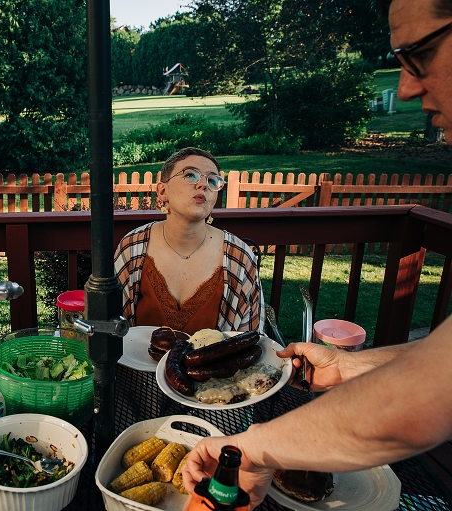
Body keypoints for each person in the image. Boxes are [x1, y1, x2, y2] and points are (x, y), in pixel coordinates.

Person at [181, 0, 452, 508]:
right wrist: (354, 368)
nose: (409, 87)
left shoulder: (236, 254)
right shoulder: (134, 248)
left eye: (421, 54)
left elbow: (419, 405)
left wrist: (252, 449)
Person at [114, 147, 265, 334]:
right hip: (134, 363)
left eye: (212, 180)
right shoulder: (132, 248)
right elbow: (112, 325)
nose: (203, 184)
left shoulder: (239, 258)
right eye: (191, 175)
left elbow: (249, 339)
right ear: (162, 191)